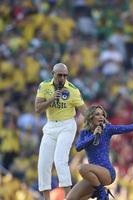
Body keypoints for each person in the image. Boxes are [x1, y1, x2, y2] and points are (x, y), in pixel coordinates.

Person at [66, 105, 133, 200]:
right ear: (91, 117)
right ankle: (99, 191)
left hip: (107, 172)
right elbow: (78, 147)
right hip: (93, 175)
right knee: (70, 198)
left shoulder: (107, 129)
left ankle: (101, 192)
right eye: (97, 114)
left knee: (82, 168)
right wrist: (93, 136)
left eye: (102, 115)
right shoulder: (84, 132)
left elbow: (128, 128)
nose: (101, 117)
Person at [35, 63, 87, 200]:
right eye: (60, 75)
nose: (62, 78)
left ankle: (68, 197)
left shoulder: (73, 90)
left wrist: (97, 120)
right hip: (50, 126)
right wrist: (51, 99)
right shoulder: (44, 86)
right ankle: (46, 198)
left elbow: (85, 111)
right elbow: (37, 108)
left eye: (65, 75)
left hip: (67, 125)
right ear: (53, 74)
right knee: (43, 163)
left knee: (60, 160)